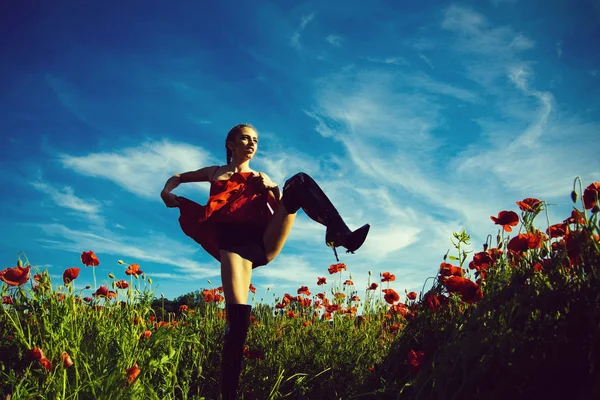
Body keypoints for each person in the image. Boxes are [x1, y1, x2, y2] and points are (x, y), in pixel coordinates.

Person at [160, 123, 370, 400]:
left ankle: (339, 232)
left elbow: (280, 203)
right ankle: (229, 394)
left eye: (256, 141)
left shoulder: (261, 175)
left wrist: (271, 188)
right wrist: (167, 191)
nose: (251, 144)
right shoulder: (214, 172)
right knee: (237, 323)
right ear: (230, 144)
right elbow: (178, 176)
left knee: (299, 182)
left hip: (263, 237)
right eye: (245, 139)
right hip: (233, 246)